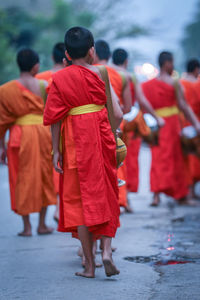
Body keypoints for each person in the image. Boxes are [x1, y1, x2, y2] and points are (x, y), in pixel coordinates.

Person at [44, 26, 123, 278]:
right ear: (92, 51)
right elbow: (118, 114)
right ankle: (107, 252)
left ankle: (89, 266)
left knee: (78, 200)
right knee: (107, 192)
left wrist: (55, 151)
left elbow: (55, 118)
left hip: (74, 143)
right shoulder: (101, 73)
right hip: (101, 140)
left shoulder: (59, 78)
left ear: (66, 53)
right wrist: (113, 132)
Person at [0, 48, 57, 236]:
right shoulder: (44, 85)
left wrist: (1, 146)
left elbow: (2, 122)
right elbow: (52, 113)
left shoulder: (5, 90)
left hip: (19, 136)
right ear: (36, 66)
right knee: (44, 178)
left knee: (20, 179)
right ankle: (42, 224)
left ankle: (27, 227)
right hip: (43, 135)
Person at [142, 51, 200, 206]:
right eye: (172, 62)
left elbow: (143, 104)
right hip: (172, 125)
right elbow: (184, 106)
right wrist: (196, 123)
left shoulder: (148, 85)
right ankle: (182, 195)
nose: (172, 65)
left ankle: (156, 196)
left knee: (157, 159)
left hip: (157, 125)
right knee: (178, 159)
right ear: (167, 63)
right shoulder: (174, 83)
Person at [111, 48, 165, 208]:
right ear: (126, 62)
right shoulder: (128, 76)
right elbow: (139, 101)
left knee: (114, 158)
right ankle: (124, 197)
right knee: (128, 160)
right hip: (127, 124)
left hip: (111, 121)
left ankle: (118, 198)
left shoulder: (107, 73)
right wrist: (156, 117)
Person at [94, 40, 132, 212]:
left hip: (91, 122)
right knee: (117, 160)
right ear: (109, 56)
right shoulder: (122, 75)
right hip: (117, 122)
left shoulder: (88, 72)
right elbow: (127, 107)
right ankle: (121, 200)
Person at [36, 42, 68, 222]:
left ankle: (57, 206)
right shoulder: (70, 75)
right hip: (69, 126)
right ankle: (61, 207)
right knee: (66, 167)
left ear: (51, 57)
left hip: (45, 126)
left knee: (51, 167)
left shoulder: (40, 78)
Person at [180, 59, 200, 198]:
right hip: (195, 122)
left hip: (182, 122)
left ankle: (187, 190)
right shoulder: (196, 84)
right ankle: (191, 191)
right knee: (194, 158)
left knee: (186, 157)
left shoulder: (180, 83)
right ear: (195, 69)